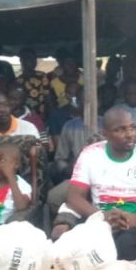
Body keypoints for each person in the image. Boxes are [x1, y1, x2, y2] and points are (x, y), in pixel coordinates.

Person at [51, 108, 136, 270]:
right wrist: (102, 217)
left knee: (127, 245)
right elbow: (74, 197)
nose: (129, 134)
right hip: (98, 225)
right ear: (105, 134)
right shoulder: (90, 155)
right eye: (120, 129)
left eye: (132, 128)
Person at [46, 85, 102, 217]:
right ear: (78, 102)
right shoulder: (69, 126)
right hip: (79, 176)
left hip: (107, 175)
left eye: (92, 101)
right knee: (53, 197)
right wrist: (68, 170)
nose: (88, 105)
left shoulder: (107, 123)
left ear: (98, 102)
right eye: (84, 101)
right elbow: (60, 158)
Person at [15, 47, 51, 120]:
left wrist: (48, 113)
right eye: (29, 58)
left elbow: (47, 97)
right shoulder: (18, 81)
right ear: (22, 60)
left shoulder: (42, 76)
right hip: (24, 116)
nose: (33, 61)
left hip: (41, 115)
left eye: (34, 59)